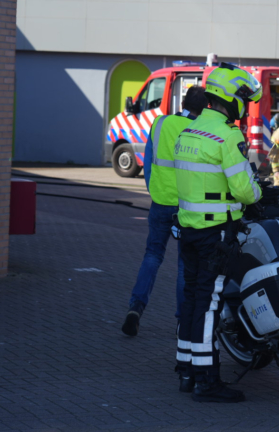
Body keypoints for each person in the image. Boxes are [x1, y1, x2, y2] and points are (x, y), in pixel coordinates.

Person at [172, 64, 262, 403]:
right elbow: (243, 190)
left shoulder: (189, 131)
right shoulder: (228, 135)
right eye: (243, 100)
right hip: (216, 234)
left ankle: (186, 370)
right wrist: (257, 194)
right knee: (208, 305)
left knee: (192, 299)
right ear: (230, 99)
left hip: (188, 230)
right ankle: (207, 381)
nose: (245, 106)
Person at [121, 86, 208, 337]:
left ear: (182, 102)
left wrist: (154, 191)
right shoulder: (201, 132)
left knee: (152, 255)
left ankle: (135, 308)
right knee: (185, 265)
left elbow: (148, 162)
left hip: (160, 202)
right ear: (205, 108)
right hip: (188, 207)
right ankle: (182, 322)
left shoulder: (160, 123)